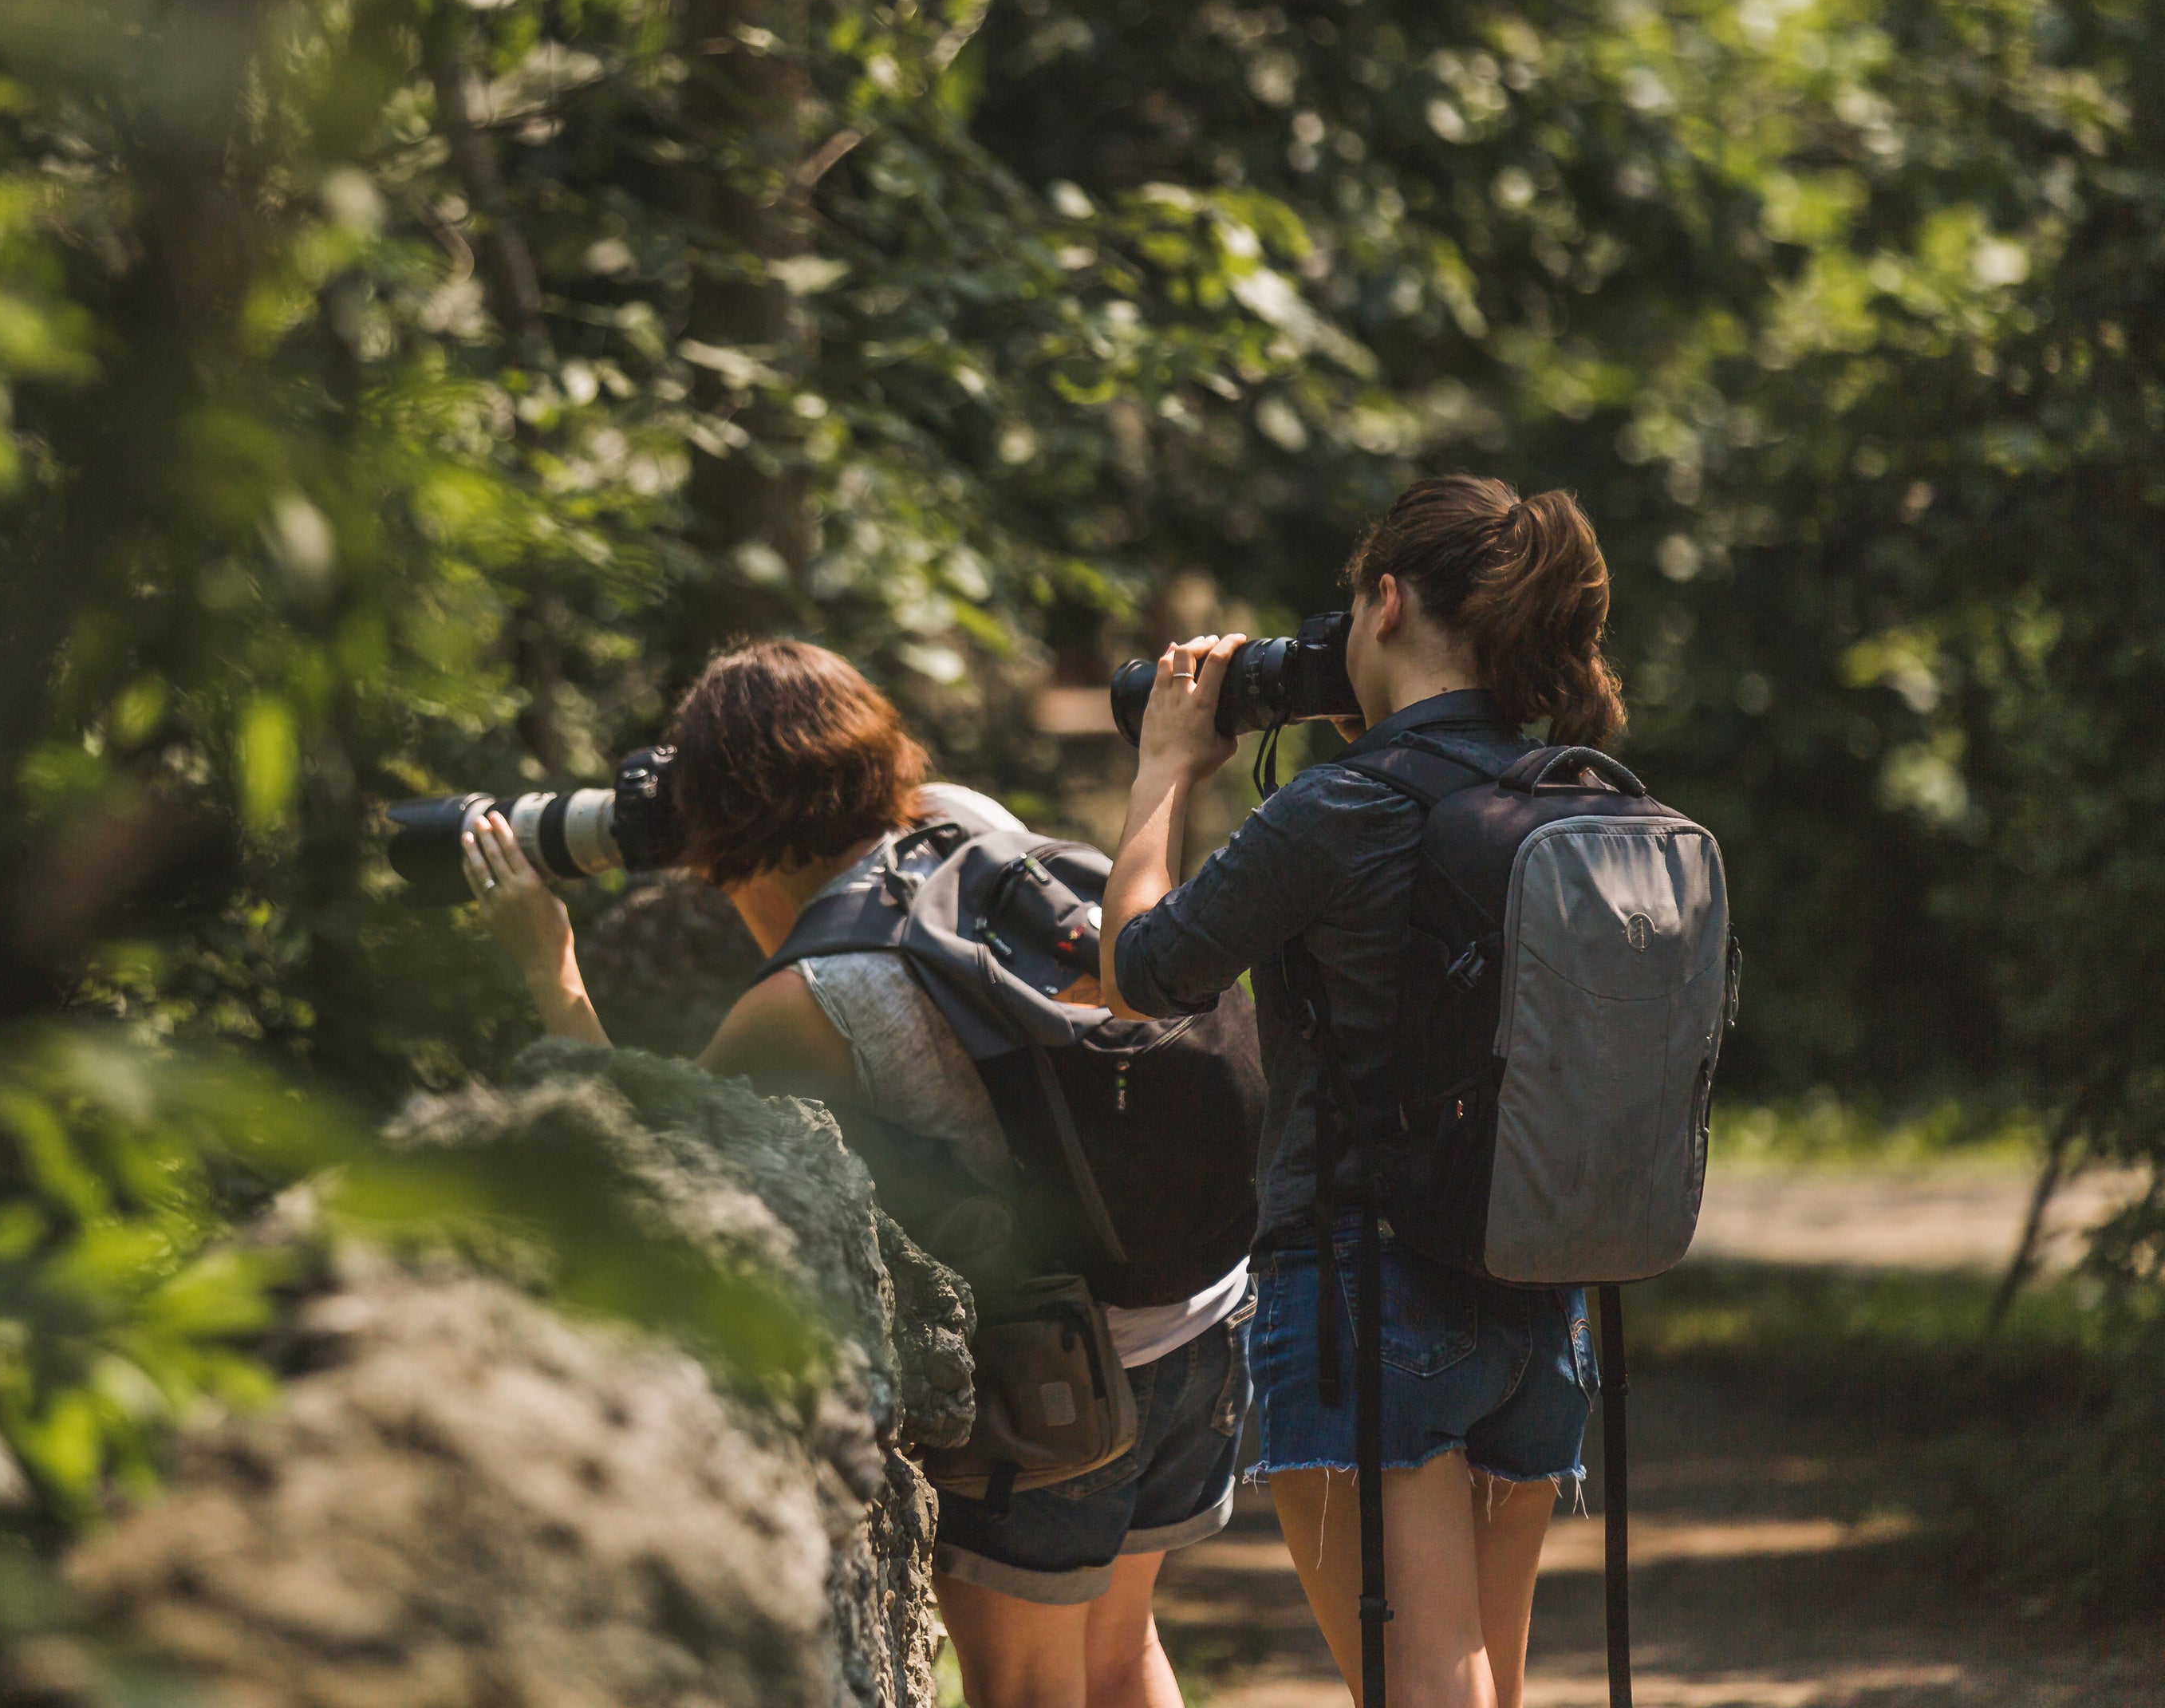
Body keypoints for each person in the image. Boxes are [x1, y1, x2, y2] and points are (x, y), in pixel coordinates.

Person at [459, 637, 1248, 1708]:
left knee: (1025, 1691)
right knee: (1120, 1656)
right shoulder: (966, 822)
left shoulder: (809, 1004)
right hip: (1195, 1317)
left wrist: (552, 972)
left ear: (723, 811)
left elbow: (658, 1163)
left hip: (1060, 1383)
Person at [1096, 477, 1626, 1708]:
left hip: (1362, 1293)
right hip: (1541, 1297)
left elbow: (1142, 974)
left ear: (1384, 604)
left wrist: (1168, 764)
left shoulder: (1340, 810)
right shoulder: (1576, 791)